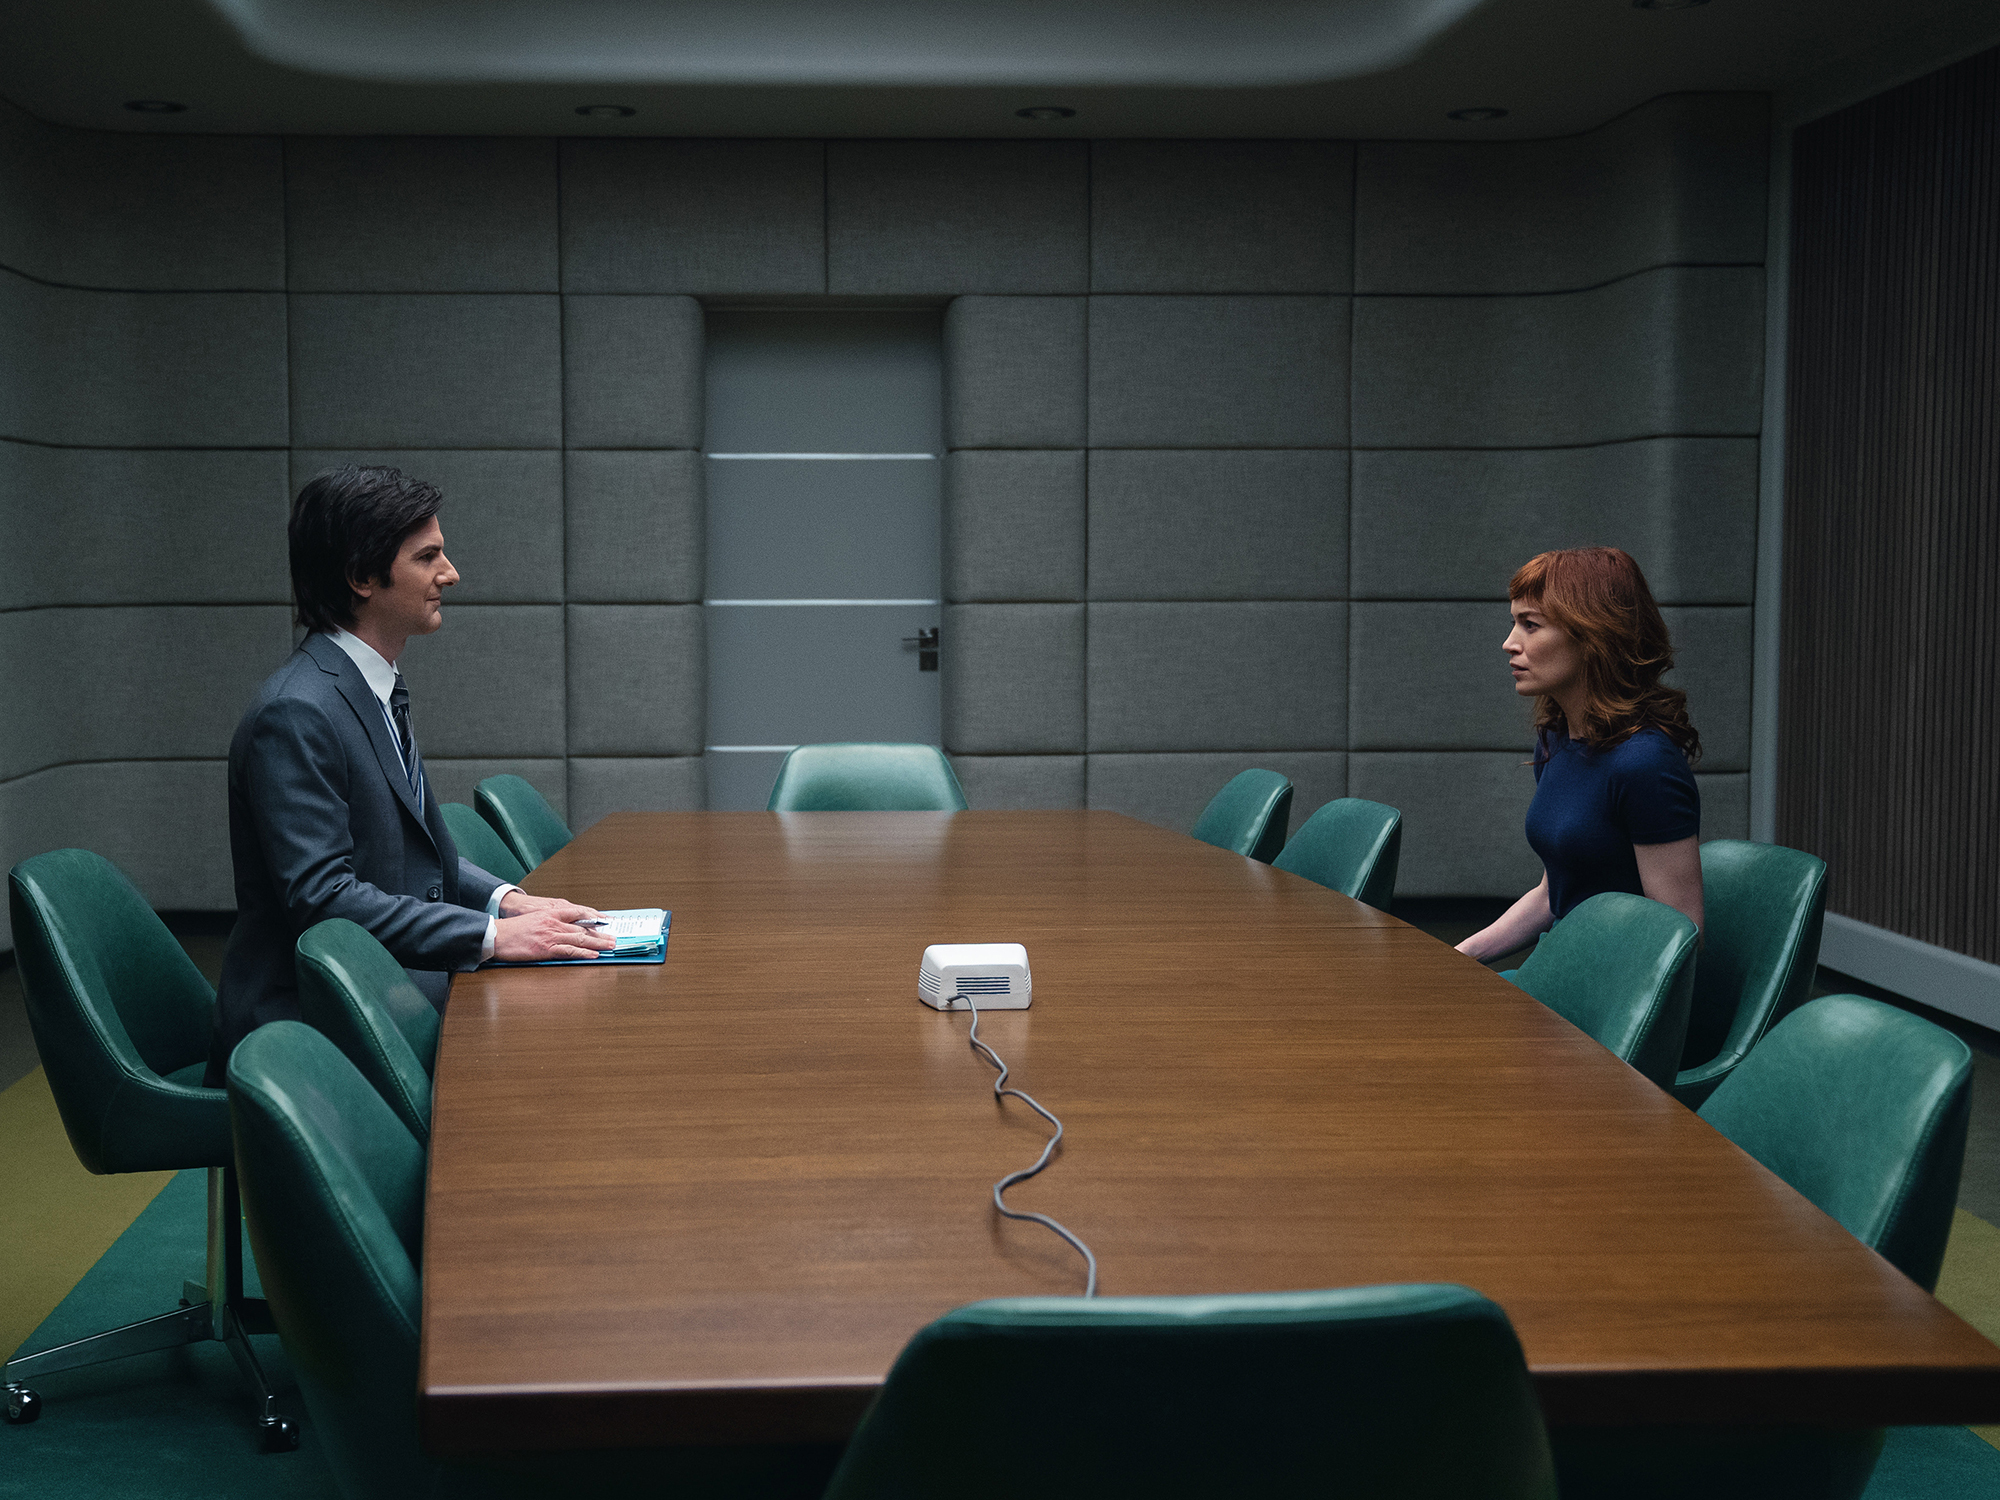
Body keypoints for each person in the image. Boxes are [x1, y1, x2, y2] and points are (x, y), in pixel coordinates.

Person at [206, 465, 612, 1082]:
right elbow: (325, 901)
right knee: (565, 1051)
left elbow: (409, 854)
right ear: (361, 577)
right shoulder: (296, 712)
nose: (450, 574)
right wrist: (491, 937)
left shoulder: (369, 687)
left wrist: (510, 902)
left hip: (387, 991)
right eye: (428, 557)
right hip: (313, 1029)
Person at [1456, 546, 1704, 964]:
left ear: (1593, 637)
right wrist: (1457, 957)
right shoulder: (1556, 742)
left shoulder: (1646, 765)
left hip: (1604, 1004)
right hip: (1560, 969)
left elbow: (1679, 940)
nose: (1508, 643)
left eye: (1529, 625)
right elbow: (1553, 894)